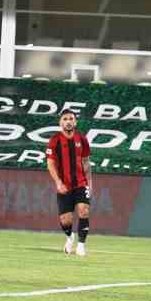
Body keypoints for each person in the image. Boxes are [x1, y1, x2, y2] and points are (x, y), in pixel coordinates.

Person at [46, 109, 93, 257]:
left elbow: (86, 162)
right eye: (65, 119)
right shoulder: (55, 140)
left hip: (81, 183)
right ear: (61, 122)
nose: (68, 121)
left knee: (84, 210)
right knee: (65, 220)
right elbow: (50, 164)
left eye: (71, 119)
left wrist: (90, 183)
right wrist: (58, 182)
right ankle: (69, 237)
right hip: (64, 185)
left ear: (75, 122)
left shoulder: (82, 139)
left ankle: (81, 245)